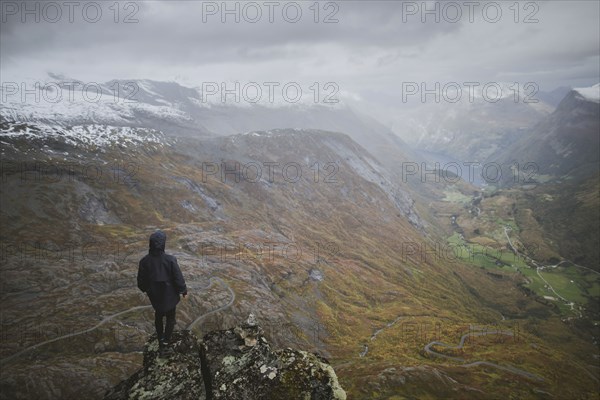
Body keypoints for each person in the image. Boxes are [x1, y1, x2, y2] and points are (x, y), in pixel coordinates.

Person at [137, 230, 187, 352]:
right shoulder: (170, 260)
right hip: (170, 296)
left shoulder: (144, 261)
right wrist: (183, 290)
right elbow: (178, 277)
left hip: (155, 297)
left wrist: (146, 289)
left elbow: (141, 281)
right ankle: (166, 341)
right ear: (163, 244)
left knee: (158, 316)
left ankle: (160, 339)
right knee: (171, 318)